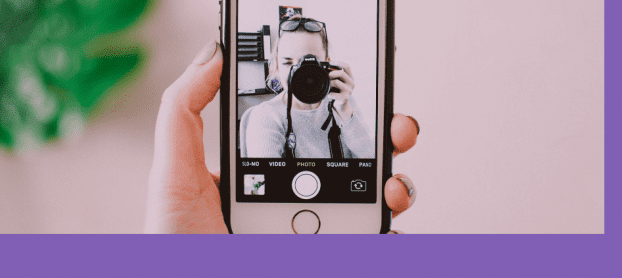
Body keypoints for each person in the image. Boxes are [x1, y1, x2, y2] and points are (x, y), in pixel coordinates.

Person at [144, 40, 420, 234]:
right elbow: (263, 190)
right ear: (275, 68)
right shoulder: (263, 117)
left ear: (329, 66)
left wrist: (346, 112)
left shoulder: (343, 106)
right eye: (289, 62)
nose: (302, 72)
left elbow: (373, 169)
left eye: (313, 63)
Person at [242, 15, 373, 158]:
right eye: (287, 63)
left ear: (326, 64)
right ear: (277, 65)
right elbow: (262, 179)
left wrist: (346, 113)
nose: (299, 73)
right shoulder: (267, 116)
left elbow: (373, 163)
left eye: (308, 64)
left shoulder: (343, 102)